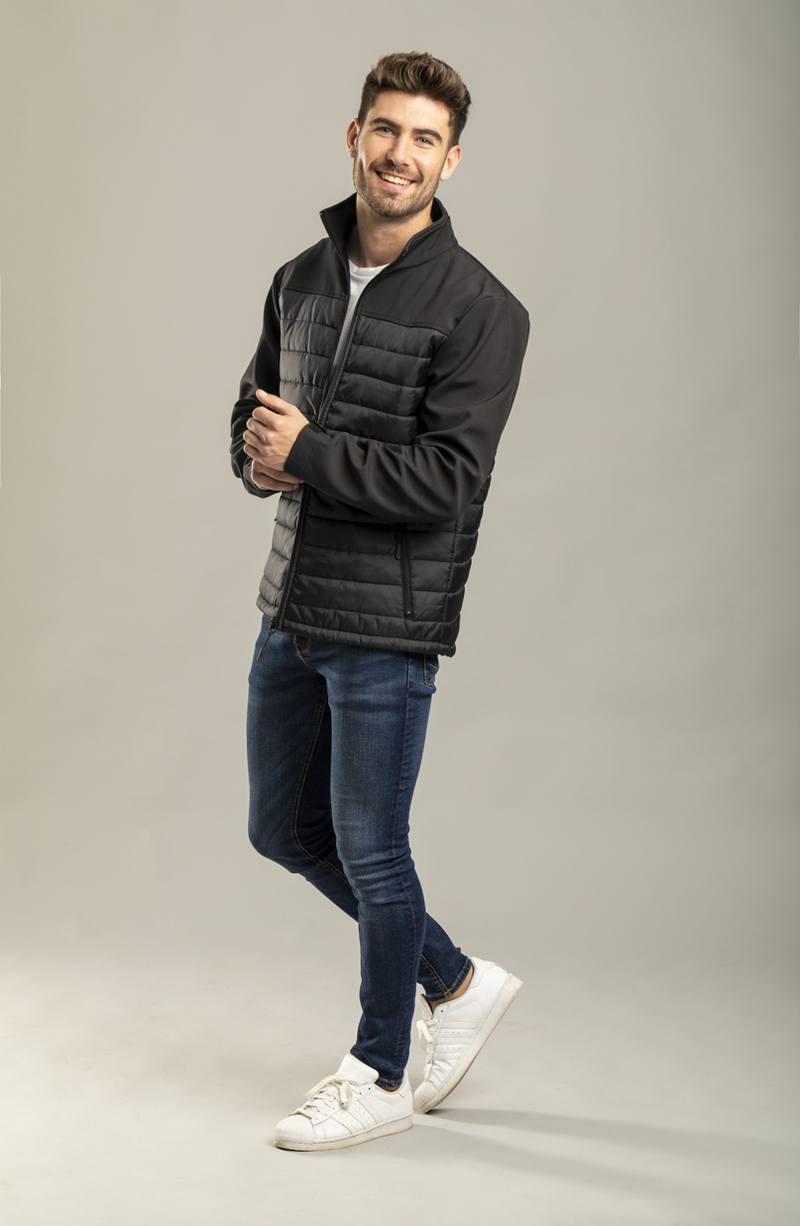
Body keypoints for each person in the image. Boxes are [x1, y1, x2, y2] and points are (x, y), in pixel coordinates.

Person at [230, 50, 530, 1152]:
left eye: (424, 139)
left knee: (370, 845)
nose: (400, 154)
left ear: (452, 161)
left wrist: (308, 453)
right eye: (386, 130)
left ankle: (381, 1069)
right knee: (280, 829)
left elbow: (449, 482)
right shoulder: (300, 276)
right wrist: (256, 459)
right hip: (292, 604)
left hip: (389, 625)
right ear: (354, 137)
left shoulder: (482, 308)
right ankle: (455, 982)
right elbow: (255, 413)